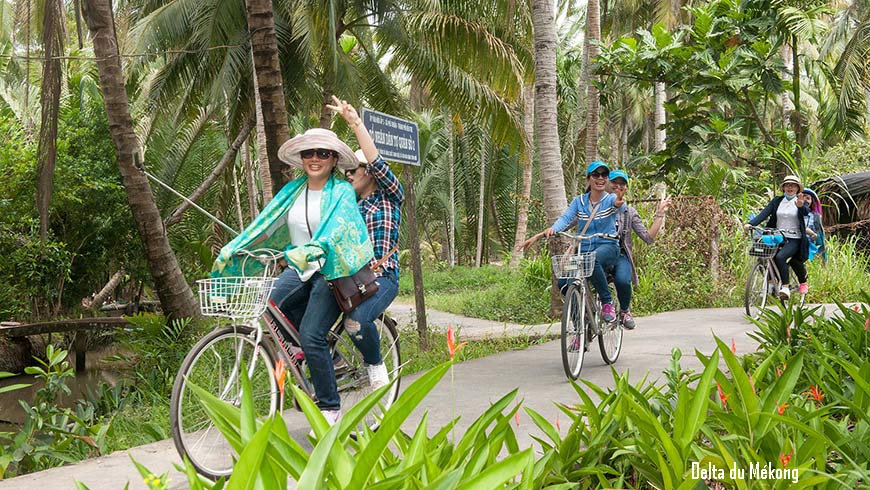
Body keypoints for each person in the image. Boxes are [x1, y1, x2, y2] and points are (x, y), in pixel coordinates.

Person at [211, 110, 374, 426]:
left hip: (331, 272)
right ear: (300, 158)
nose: (315, 158)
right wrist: (235, 248)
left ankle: (328, 410)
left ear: (333, 159)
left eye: (322, 153)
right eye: (308, 153)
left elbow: (337, 227)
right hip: (299, 269)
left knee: (313, 335)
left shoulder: (341, 191)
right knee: (267, 302)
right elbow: (265, 223)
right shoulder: (292, 190)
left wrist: (315, 247)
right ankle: (320, 356)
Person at [330, 98, 404, 391]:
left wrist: (355, 122)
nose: (348, 175)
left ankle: (375, 366)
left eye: (354, 170)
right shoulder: (349, 207)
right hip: (349, 280)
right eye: (346, 172)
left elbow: (376, 162)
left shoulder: (390, 196)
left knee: (356, 322)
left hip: (381, 277)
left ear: (369, 173)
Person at [524, 161, 626, 322]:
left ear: (607, 180)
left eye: (604, 175)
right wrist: (553, 229)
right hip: (582, 251)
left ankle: (607, 302)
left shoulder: (611, 199)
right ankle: (580, 323)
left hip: (607, 247)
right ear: (588, 179)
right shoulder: (579, 201)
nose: (600, 178)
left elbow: (618, 205)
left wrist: (620, 202)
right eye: (596, 175)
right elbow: (566, 218)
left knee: (593, 260)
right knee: (564, 282)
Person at [608, 170, 672, 330]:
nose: (618, 186)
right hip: (596, 253)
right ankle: (581, 330)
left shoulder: (629, 213)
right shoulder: (593, 206)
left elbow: (648, 237)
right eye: (614, 183)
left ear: (626, 188)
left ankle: (624, 310)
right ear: (607, 185)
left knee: (623, 281)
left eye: (622, 184)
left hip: (619, 254)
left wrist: (660, 213)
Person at [743, 175, 809, 300]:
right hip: (777, 236)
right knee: (763, 255)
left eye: (793, 185)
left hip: (794, 238)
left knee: (780, 257)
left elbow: (805, 211)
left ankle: (785, 287)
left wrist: (800, 206)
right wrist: (751, 224)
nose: (790, 187)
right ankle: (772, 283)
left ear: (797, 188)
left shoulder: (800, 201)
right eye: (787, 185)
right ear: (783, 187)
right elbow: (764, 214)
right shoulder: (777, 201)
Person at [802, 188, 826, 265]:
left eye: (808, 198)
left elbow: (820, 236)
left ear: (812, 201)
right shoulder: (793, 214)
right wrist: (811, 233)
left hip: (810, 246)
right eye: (803, 197)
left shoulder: (815, 216)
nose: (805, 200)